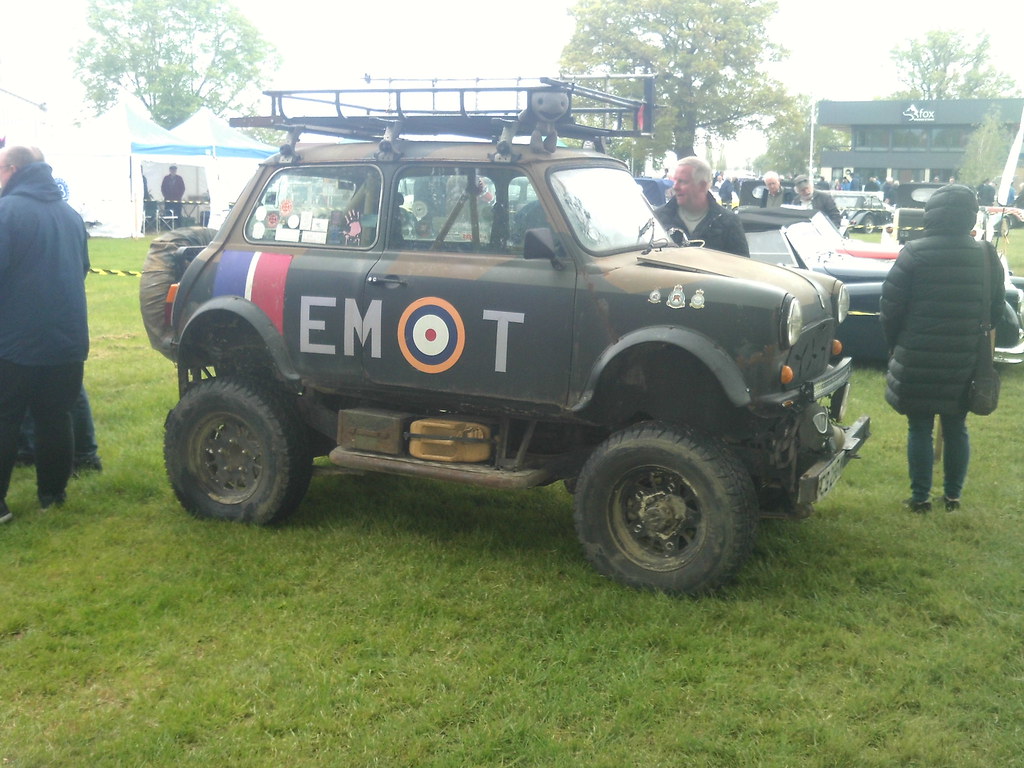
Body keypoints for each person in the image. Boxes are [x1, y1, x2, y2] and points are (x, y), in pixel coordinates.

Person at [880, 184, 1004, 513]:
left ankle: (920, 498)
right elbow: (995, 309)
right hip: (965, 357)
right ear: (970, 215)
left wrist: (895, 344)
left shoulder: (914, 252)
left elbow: (890, 307)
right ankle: (952, 497)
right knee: (956, 425)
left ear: (930, 215)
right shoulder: (985, 253)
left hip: (917, 353)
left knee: (919, 425)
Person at [0, 145, 90, 522]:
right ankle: (53, 495)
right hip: (68, 337)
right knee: (56, 417)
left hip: (17, 340)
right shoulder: (70, 214)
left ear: (13, 168)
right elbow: (83, 267)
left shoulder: (7, 212)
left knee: (5, 417)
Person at [654, 156, 749, 257]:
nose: (675, 187)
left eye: (682, 182)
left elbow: (741, 267)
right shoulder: (658, 218)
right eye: (675, 181)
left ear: (702, 186)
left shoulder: (729, 222)